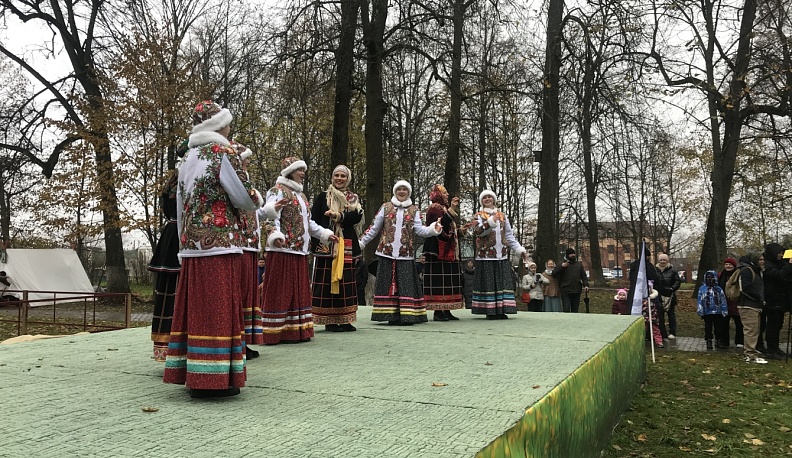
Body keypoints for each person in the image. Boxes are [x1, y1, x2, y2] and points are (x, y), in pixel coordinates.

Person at [163, 100, 263, 398]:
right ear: (220, 124)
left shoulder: (187, 158)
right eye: (227, 122)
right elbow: (244, 197)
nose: (230, 127)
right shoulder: (222, 152)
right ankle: (216, 379)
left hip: (192, 245)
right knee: (221, 307)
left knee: (197, 308)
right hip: (220, 243)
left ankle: (195, 374)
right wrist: (256, 198)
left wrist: (184, 241)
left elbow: (180, 205)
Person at [259, 157, 336, 344]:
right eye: (299, 170)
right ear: (289, 171)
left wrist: (324, 234)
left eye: (303, 170)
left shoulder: (301, 196)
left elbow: (308, 222)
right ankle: (275, 331)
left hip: (299, 250)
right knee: (281, 290)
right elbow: (271, 216)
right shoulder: (277, 191)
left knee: (298, 291)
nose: (303, 173)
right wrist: (275, 235)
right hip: (283, 250)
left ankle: (296, 331)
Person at [358, 180, 442, 325]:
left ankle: (407, 316)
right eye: (399, 189)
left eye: (404, 189)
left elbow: (420, 230)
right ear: (395, 191)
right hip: (386, 253)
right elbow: (373, 228)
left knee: (405, 284)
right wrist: (361, 243)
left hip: (405, 254)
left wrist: (433, 229)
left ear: (408, 192)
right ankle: (389, 315)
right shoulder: (386, 207)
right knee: (387, 284)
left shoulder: (414, 210)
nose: (401, 192)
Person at [310, 165, 364, 332]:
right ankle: (329, 320)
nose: (339, 178)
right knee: (327, 282)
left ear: (348, 179)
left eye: (343, 176)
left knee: (346, 281)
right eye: (337, 175)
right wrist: (322, 235)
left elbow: (357, 217)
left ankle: (345, 319)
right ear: (332, 177)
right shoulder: (323, 197)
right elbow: (314, 219)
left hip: (345, 243)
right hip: (327, 245)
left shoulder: (353, 198)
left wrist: (339, 216)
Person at [470, 190, 528, 320]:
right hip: (485, 256)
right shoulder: (478, 215)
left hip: (501, 256)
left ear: (494, 199)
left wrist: (519, 249)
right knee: (489, 284)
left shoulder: (502, 216)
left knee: (501, 283)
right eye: (484, 198)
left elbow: (509, 236)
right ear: (481, 201)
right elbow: (478, 232)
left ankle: (501, 310)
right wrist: (490, 222)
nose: (487, 199)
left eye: (490, 197)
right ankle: (490, 311)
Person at [147, 169, 181, 362]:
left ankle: (165, 349)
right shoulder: (192, 178)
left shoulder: (172, 182)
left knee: (168, 293)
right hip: (182, 236)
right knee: (174, 292)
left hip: (171, 237)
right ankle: (178, 349)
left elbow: (167, 210)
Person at [422, 184, 465, 321]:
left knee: (447, 281)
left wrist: (460, 231)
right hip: (437, 251)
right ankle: (438, 312)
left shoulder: (443, 208)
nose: (447, 195)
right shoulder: (434, 208)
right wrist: (452, 210)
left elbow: (449, 231)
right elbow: (440, 225)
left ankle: (446, 309)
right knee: (439, 281)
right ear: (438, 194)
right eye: (445, 192)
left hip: (447, 250)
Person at [761, 243, 792, 360]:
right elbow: (779, 275)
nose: (781, 255)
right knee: (772, 326)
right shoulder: (767, 265)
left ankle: (776, 347)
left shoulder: (779, 263)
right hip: (772, 300)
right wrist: (789, 265)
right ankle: (771, 349)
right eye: (779, 253)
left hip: (781, 300)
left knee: (778, 325)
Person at [737, 253, 768, 363]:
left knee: (755, 330)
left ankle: (752, 350)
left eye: (763, 259)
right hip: (747, 305)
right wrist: (758, 297)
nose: (762, 262)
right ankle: (749, 354)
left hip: (755, 305)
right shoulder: (747, 271)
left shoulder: (757, 271)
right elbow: (745, 288)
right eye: (760, 259)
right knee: (750, 330)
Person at [696, 270, 728, 350]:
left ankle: (718, 340)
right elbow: (700, 300)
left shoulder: (718, 289)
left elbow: (723, 300)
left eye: (712, 277)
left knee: (718, 327)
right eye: (708, 278)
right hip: (707, 312)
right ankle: (709, 340)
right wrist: (700, 310)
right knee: (708, 327)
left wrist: (724, 310)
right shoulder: (702, 289)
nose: (710, 279)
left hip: (718, 312)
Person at [552, 248, 589, 313]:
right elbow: (554, 274)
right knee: (566, 309)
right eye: (571, 254)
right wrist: (562, 267)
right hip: (565, 290)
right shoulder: (562, 264)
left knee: (575, 310)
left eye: (573, 253)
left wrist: (586, 285)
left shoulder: (578, 265)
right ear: (567, 255)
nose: (573, 255)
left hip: (577, 290)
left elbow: (583, 276)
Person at [655, 253, 682, 340]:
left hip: (670, 296)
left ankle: (672, 332)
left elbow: (677, 281)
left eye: (664, 260)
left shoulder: (673, 271)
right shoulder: (655, 270)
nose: (663, 261)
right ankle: (662, 333)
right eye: (661, 260)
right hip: (658, 295)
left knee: (671, 315)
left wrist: (672, 289)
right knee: (660, 315)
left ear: (667, 261)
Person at [718, 257, 744, 348]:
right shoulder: (722, 275)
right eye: (726, 264)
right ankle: (724, 341)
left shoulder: (738, 274)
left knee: (739, 322)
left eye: (730, 264)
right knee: (724, 323)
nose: (728, 266)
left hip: (736, 301)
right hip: (725, 302)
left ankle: (740, 341)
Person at [644, 281, 663, 347]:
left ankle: (659, 341)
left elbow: (658, 306)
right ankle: (640, 341)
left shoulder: (654, 297)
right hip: (644, 316)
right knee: (643, 330)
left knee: (655, 329)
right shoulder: (641, 297)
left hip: (653, 315)